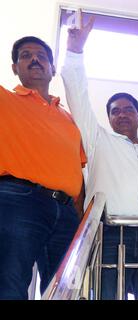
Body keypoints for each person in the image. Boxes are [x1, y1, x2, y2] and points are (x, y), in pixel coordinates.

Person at [60, 17, 138, 300]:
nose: (121, 114)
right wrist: (75, 51)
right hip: (112, 232)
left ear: (137, 115)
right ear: (108, 118)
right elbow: (78, 95)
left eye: (127, 110)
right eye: (114, 111)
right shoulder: (99, 140)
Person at [0, 36, 85, 299]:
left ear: (52, 68)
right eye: (25, 55)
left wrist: (80, 216)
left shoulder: (69, 118)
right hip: (18, 201)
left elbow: (77, 170)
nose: (34, 59)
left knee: (65, 290)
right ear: (15, 68)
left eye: (41, 56)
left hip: (66, 211)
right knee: (11, 281)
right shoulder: (5, 99)